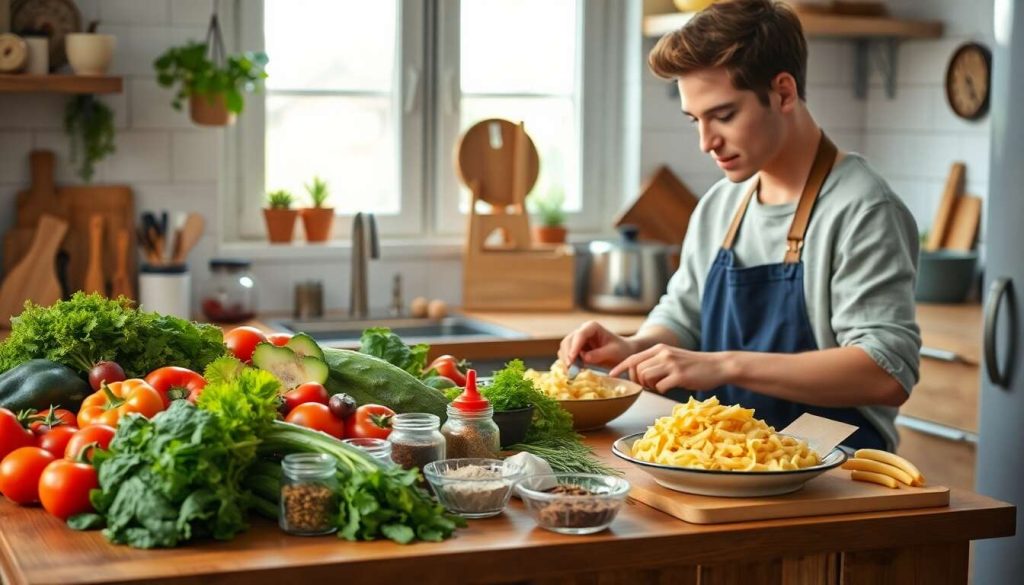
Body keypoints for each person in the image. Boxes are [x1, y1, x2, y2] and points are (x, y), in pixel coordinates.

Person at [559, 0, 920, 450]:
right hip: (725, 459)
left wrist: (725, 366)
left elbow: (887, 371)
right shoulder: (721, 204)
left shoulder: (862, 208)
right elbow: (683, 316)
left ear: (784, 93)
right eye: (696, 120)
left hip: (835, 470)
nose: (706, 142)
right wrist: (637, 347)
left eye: (724, 116)